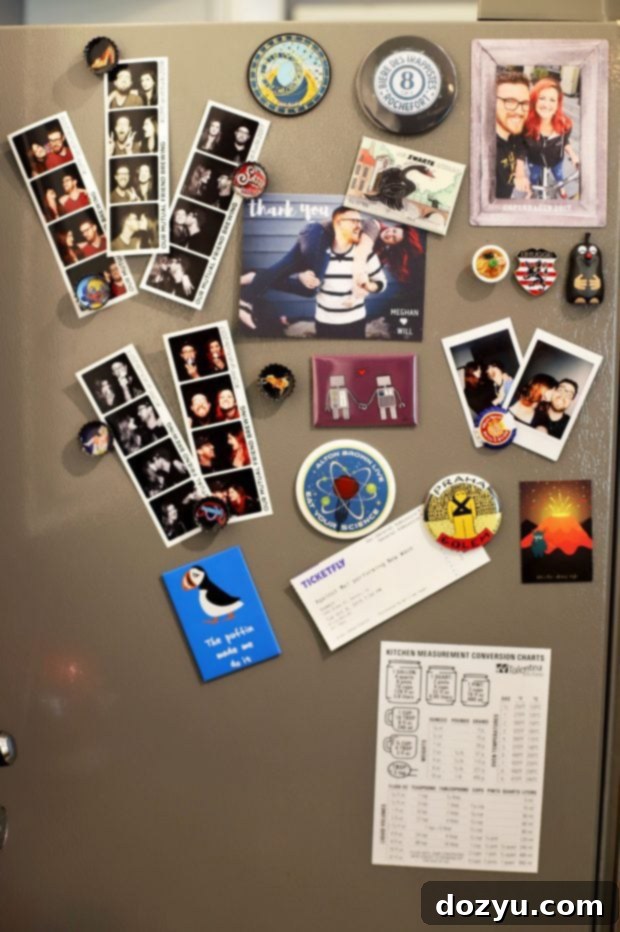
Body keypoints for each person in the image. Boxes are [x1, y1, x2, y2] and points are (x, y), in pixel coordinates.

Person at [240, 206, 386, 338]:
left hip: (355, 321)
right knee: (310, 288)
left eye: (359, 222)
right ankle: (245, 302)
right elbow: (363, 244)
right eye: (355, 222)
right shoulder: (370, 227)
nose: (359, 226)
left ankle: (254, 281)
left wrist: (368, 286)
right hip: (325, 321)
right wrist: (303, 275)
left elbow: (379, 282)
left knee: (282, 270)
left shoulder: (364, 250)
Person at [522, 78, 580, 198]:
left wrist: (574, 156)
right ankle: (531, 191)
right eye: (542, 98)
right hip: (534, 160)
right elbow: (521, 146)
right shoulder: (526, 125)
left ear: (558, 104)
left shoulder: (565, 124)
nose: (547, 104)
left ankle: (561, 188)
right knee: (533, 176)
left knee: (559, 175)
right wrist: (518, 170)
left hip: (556, 160)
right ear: (534, 100)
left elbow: (565, 142)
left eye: (552, 100)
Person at [495, 70, 531, 199]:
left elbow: (522, 144)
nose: (520, 111)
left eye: (525, 103)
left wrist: (520, 173)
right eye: (510, 101)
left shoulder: (514, 133)